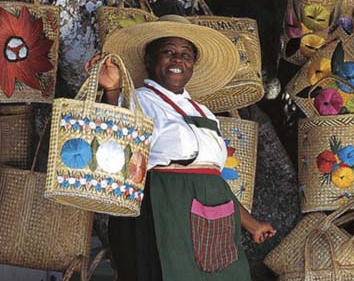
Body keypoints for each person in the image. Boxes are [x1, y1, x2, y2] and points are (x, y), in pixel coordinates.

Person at [85, 15, 276, 281]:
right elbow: (110, 142)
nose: (178, 60)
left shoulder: (205, 112)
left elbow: (213, 180)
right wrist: (112, 90)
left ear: (193, 65)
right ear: (151, 61)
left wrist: (250, 222)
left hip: (213, 219)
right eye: (168, 52)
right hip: (160, 209)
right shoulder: (138, 99)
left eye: (186, 54)